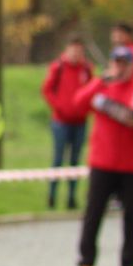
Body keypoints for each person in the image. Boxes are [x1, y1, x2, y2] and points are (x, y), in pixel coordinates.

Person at [70, 45, 133, 266]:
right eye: (117, 62)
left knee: (132, 217)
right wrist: (99, 82)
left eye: (125, 63)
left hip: (132, 164)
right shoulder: (101, 87)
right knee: (93, 214)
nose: (121, 67)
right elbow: (77, 105)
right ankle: (86, 263)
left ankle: (129, 265)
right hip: (103, 162)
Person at [40, 37, 93, 211]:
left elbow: (92, 90)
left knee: (75, 160)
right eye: (73, 51)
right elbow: (47, 90)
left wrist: (85, 109)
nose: (76, 55)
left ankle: (72, 197)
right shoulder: (58, 67)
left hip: (80, 122)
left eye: (79, 51)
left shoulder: (86, 69)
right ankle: (52, 195)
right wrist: (59, 107)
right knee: (58, 158)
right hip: (61, 121)